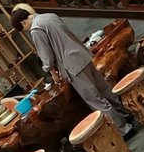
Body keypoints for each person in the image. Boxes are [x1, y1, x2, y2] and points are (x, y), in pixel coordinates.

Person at [10, 8, 135, 139]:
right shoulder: (49, 16)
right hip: (83, 56)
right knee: (105, 90)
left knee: (95, 100)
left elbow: (46, 57)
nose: (26, 30)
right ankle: (127, 115)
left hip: (72, 66)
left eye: (24, 28)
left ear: (23, 22)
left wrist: (52, 72)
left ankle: (123, 129)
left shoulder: (36, 30)